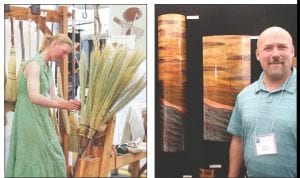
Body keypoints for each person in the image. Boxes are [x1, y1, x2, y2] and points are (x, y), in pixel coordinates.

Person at [5, 33, 81, 177]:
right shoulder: (34, 65)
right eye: (64, 52)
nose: (64, 57)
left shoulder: (46, 67)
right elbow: (34, 97)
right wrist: (63, 106)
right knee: (35, 157)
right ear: (54, 44)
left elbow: (53, 96)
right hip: (28, 118)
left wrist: (69, 103)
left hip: (40, 117)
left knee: (54, 156)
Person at [227, 26, 296, 177]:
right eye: (268, 48)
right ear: (258, 54)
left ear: (292, 51)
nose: (276, 54)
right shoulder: (244, 96)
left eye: (282, 47)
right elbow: (238, 140)